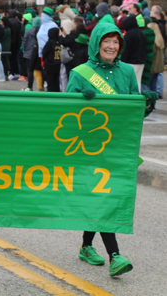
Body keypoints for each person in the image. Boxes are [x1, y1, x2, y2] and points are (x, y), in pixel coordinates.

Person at [66, 22, 157, 277]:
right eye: (107, 41)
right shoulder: (80, 73)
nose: (111, 46)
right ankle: (114, 255)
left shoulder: (127, 72)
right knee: (102, 197)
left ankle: (86, 246)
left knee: (105, 197)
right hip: (89, 150)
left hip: (117, 147)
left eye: (116, 42)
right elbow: (64, 114)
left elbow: (133, 115)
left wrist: (145, 103)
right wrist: (77, 100)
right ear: (96, 43)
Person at [121, 15, 146, 89]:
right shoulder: (142, 33)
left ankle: (130, 97)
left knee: (128, 81)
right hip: (141, 61)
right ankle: (138, 96)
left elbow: (126, 50)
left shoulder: (129, 34)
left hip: (131, 62)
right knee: (138, 81)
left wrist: (123, 61)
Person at [42, 27, 61, 92]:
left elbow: (44, 52)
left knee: (50, 82)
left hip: (49, 65)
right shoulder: (59, 42)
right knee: (56, 82)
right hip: (57, 64)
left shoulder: (49, 42)